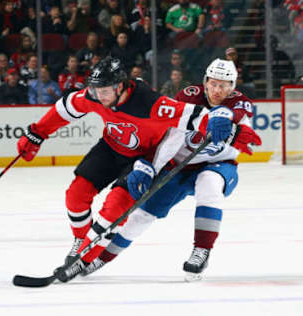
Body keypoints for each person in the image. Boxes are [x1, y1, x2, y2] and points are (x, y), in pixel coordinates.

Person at [16, 56, 246, 282]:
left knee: (116, 208)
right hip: (111, 148)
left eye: (104, 91)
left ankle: (85, 257)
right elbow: (65, 108)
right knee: (75, 195)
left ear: (120, 87)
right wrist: (37, 132)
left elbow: (193, 116)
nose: (97, 96)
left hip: (140, 160)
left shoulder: (152, 103)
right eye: (95, 91)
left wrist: (227, 127)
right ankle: (81, 244)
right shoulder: (95, 94)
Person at [80, 58, 261, 282]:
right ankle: (101, 258)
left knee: (209, 183)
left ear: (233, 87)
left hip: (218, 165)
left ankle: (201, 251)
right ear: (205, 82)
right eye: (213, 84)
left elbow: (250, 141)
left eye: (224, 86)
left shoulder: (240, 104)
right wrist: (150, 167)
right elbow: (169, 136)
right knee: (141, 216)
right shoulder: (188, 97)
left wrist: (230, 121)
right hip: (180, 167)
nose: (217, 90)